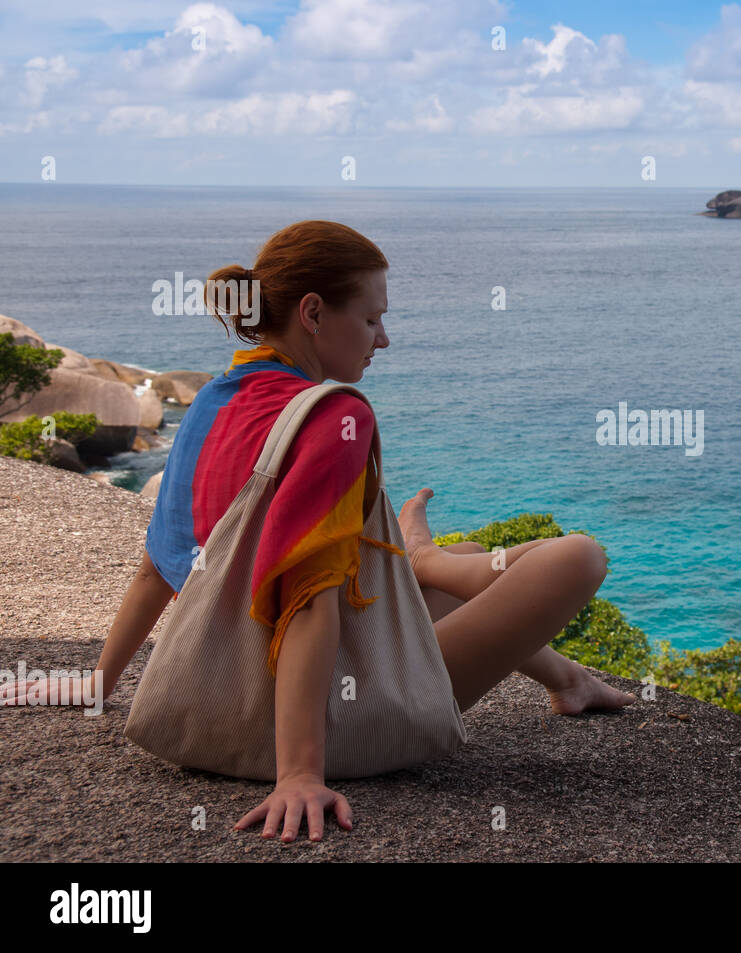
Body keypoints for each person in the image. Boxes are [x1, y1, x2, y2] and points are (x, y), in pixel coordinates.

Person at [0, 220, 634, 843]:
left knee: (463, 558)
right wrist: (298, 774)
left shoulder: (214, 399)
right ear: (312, 312)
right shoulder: (336, 417)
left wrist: (100, 684)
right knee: (575, 557)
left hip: (213, 699)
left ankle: (565, 678)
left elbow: (157, 565)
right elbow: (306, 600)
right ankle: (428, 559)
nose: (382, 339)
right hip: (325, 723)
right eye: (370, 318)